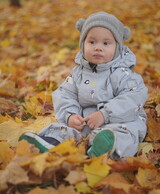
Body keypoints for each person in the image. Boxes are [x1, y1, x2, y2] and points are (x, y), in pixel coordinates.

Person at [19, 11, 148, 158]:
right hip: (85, 123)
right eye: (92, 42)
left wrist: (104, 114)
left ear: (117, 47)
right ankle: (50, 143)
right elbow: (65, 93)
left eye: (106, 43)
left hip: (118, 120)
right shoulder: (78, 73)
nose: (98, 47)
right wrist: (70, 115)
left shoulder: (124, 75)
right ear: (82, 44)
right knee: (64, 129)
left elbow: (132, 98)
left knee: (124, 133)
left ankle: (105, 148)